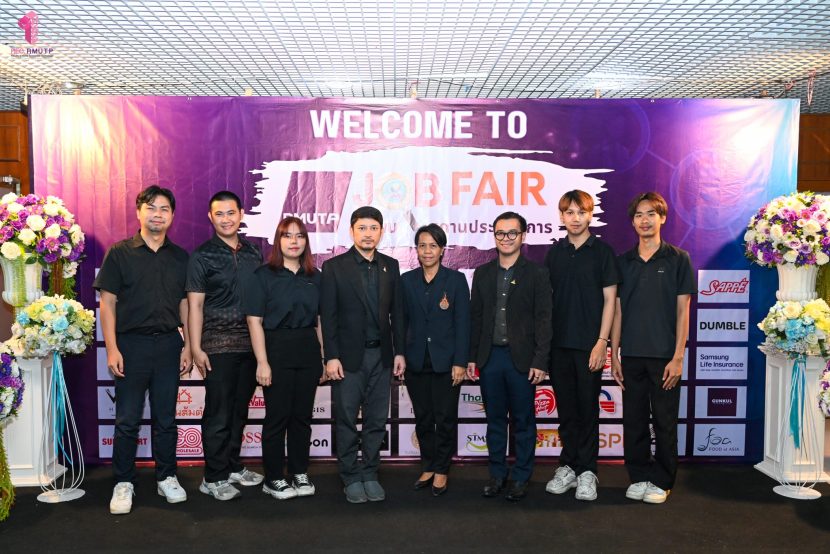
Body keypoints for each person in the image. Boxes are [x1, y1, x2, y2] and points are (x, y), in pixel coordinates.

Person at [94, 185, 191, 515]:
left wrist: (188, 346)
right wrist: (112, 349)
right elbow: (107, 303)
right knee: (127, 420)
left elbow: (185, 304)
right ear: (139, 212)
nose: (157, 214)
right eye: (151, 208)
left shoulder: (180, 257)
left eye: (164, 209)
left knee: (166, 418)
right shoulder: (119, 253)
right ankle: (124, 481)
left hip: (168, 345)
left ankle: (167, 477)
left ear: (172, 216)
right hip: (130, 345)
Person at [611, 192, 695, 505]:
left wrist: (678, 357)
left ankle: (662, 481)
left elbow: (683, 311)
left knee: (664, 422)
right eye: (638, 215)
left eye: (650, 214)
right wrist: (614, 354)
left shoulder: (678, 258)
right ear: (632, 222)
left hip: (664, 357)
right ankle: (638, 476)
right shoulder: (623, 262)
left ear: (662, 218)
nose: (644, 220)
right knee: (633, 421)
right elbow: (618, 311)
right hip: (631, 355)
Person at [320, 206, 406, 503]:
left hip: (382, 356)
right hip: (347, 359)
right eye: (362, 228)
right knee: (346, 418)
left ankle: (370, 472)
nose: (368, 234)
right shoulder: (334, 267)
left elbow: (398, 314)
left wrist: (399, 352)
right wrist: (331, 356)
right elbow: (328, 316)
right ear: (352, 231)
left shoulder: (391, 265)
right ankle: (350, 475)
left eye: (373, 228)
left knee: (376, 419)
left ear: (381, 232)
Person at [468, 211, 552, 502]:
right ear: (494, 236)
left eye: (512, 233)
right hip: (490, 359)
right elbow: (476, 318)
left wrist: (540, 360)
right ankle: (497, 475)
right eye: (500, 233)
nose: (506, 238)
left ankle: (521, 476)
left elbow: (544, 320)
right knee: (494, 421)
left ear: (523, 236)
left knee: (524, 422)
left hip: (523, 361)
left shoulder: (537, 274)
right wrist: (472, 357)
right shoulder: (482, 273)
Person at [186, 191, 264, 501]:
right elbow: (195, 306)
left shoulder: (254, 253)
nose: (226, 219)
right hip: (217, 345)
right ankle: (213, 477)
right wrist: (195, 347)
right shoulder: (202, 256)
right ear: (211, 217)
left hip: (250, 345)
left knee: (239, 412)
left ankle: (231, 466)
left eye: (231, 212)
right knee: (218, 414)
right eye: (219, 214)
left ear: (241, 214)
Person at [543, 190, 619, 502]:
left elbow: (610, 300)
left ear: (590, 215)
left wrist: (602, 342)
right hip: (558, 346)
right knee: (567, 411)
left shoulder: (602, 252)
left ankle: (588, 471)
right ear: (561, 217)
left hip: (590, 346)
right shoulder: (554, 253)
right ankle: (568, 467)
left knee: (587, 410)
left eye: (581, 212)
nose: (575, 218)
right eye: (569, 212)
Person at [244, 216, 323, 500]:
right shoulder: (263, 276)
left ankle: (299, 472)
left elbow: (320, 321)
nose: (294, 241)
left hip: (308, 351)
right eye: (287, 236)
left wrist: (324, 357)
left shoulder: (316, 276)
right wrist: (262, 362)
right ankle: (274, 477)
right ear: (278, 241)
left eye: (299, 236)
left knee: (302, 418)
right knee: (277, 417)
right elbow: (254, 321)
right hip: (275, 350)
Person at [400, 224, 470, 497]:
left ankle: (442, 469)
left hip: (447, 363)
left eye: (433, 245)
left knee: (446, 418)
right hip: (416, 362)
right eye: (422, 245)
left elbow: (463, 324)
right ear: (416, 250)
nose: (427, 251)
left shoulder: (455, 280)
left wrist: (460, 361)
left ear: (442, 250)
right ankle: (428, 465)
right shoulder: (407, 281)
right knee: (424, 418)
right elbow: (401, 322)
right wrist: (401, 354)